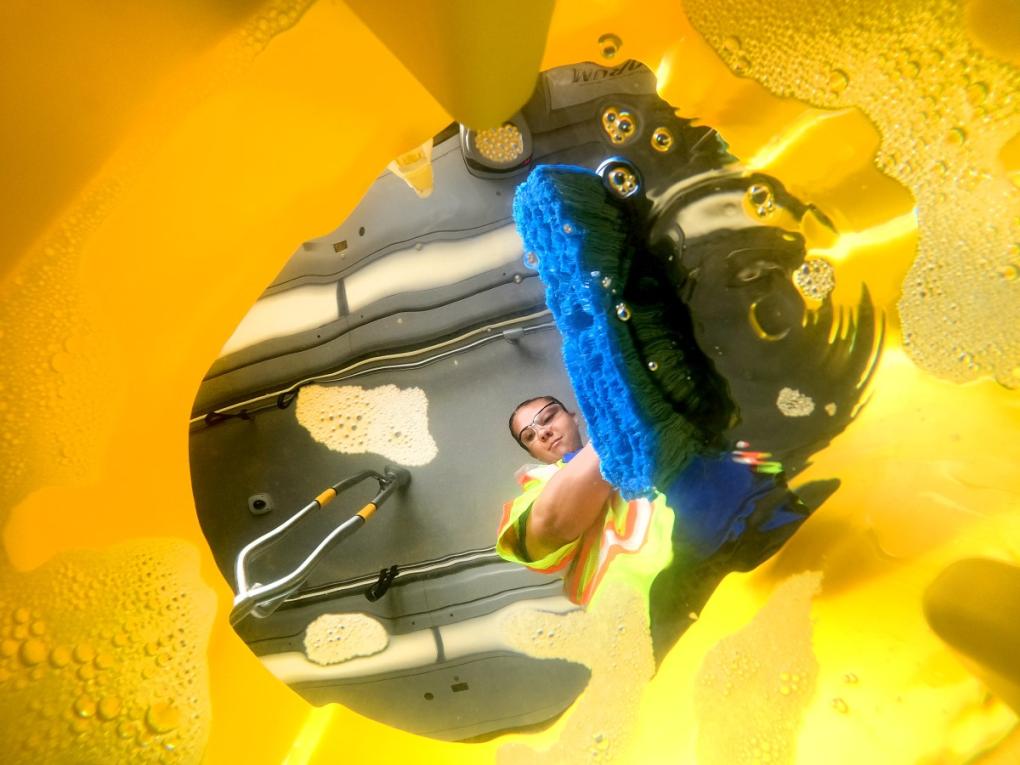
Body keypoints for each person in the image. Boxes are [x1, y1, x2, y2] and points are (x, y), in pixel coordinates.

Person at [497, 394, 825, 662]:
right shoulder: (535, 496)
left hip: (749, 536)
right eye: (529, 436)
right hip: (662, 616)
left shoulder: (655, 429)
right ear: (533, 453)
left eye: (548, 416)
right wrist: (619, 418)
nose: (542, 432)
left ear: (572, 415)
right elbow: (550, 526)